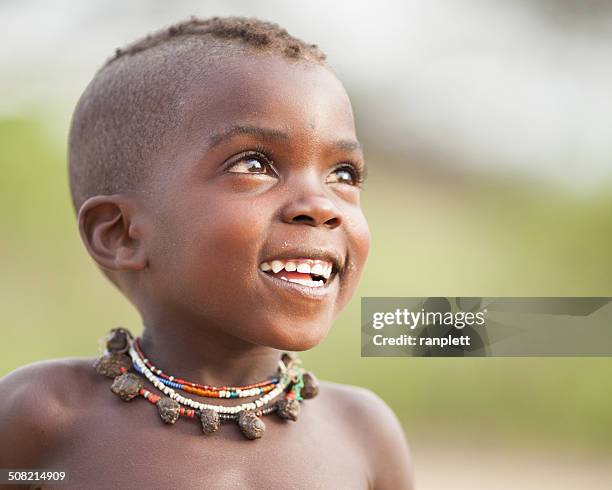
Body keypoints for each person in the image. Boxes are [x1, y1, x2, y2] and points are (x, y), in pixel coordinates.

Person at [0, 16, 413, 489]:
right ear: (122, 235)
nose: (321, 206)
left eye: (343, 173)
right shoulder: (44, 421)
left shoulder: (363, 433)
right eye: (254, 164)